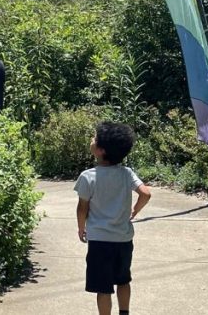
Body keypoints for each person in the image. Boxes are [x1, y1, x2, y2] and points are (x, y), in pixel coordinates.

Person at [75, 122, 152, 315]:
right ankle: (124, 312)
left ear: (100, 150)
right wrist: (135, 210)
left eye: (94, 139)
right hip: (123, 239)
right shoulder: (126, 173)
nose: (91, 141)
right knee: (123, 280)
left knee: (103, 287)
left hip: (99, 240)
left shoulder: (88, 177)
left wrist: (81, 228)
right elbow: (146, 194)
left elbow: (82, 208)